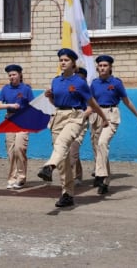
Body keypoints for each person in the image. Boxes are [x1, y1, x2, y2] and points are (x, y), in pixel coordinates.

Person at [37, 48, 109, 208]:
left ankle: (48, 166)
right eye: (61, 60)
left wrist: (104, 117)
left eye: (66, 60)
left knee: (62, 143)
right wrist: (51, 97)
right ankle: (67, 194)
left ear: (73, 63)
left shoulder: (79, 82)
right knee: (62, 159)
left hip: (75, 117)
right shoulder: (56, 81)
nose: (63, 63)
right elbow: (56, 103)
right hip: (58, 117)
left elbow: (91, 103)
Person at [90, 54, 137, 195]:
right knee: (99, 149)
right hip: (96, 115)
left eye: (105, 65)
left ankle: (99, 174)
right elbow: (91, 103)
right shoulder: (94, 83)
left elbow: (127, 101)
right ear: (97, 67)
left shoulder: (116, 83)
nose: (102, 68)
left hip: (111, 114)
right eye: (100, 65)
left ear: (110, 68)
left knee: (103, 143)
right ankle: (105, 181)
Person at [0, 64, 34, 189]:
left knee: (19, 148)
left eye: (14, 74)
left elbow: (33, 105)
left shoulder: (26, 89)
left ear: (20, 75)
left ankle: (21, 177)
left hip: (23, 121)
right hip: (10, 121)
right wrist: (10, 106)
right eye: (10, 75)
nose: (12, 77)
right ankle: (12, 178)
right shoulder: (5, 89)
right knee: (11, 151)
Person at [69, 67, 91, 185]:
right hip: (68, 121)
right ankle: (77, 175)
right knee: (69, 148)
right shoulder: (70, 88)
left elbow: (90, 107)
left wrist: (81, 115)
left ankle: (71, 177)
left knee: (74, 147)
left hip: (82, 122)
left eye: (80, 78)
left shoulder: (86, 90)